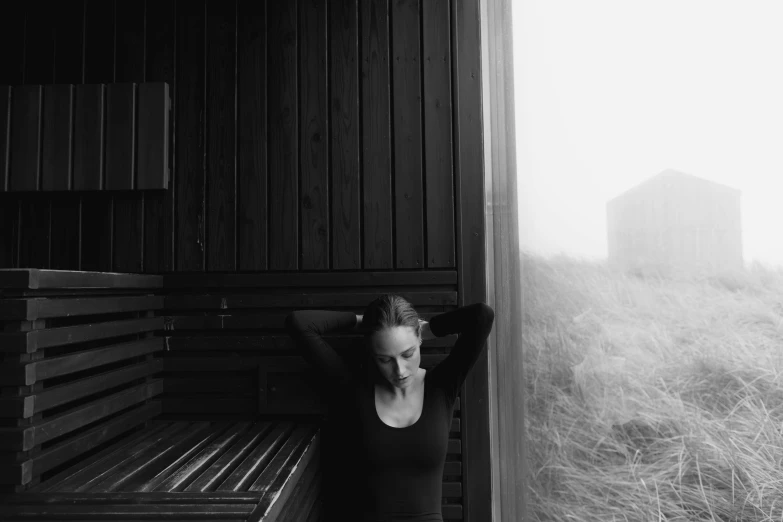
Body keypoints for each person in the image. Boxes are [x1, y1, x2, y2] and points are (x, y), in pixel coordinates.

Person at [284, 295, 495, 522]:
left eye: (408, 354)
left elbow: (482, 316)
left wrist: (429, 328)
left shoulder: (442, 386)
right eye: (385, 359)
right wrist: (365, 323)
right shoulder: (353, 389)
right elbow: (300, 323)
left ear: (420, 341)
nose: (400, 370)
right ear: (372, 355)